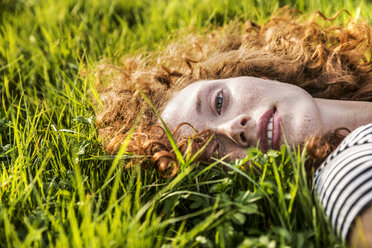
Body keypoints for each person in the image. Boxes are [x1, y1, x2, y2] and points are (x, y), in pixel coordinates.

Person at [95, 8, 372, 247]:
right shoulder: (345, 177)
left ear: (252, 72)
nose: (232, 129)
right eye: (211, 151)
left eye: (219, 102)